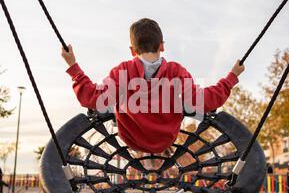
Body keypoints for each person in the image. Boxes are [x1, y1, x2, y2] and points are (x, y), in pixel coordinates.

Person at [62, 18, 244, 153]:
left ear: (132, 51)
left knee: (113, 99)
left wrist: (73, 66)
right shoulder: (176, 71)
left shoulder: (123, 70)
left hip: (131, 138)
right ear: (162, 46)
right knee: (183, 100)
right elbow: (206, 101)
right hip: (165, 140)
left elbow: (91, 97)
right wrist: (231, 77)